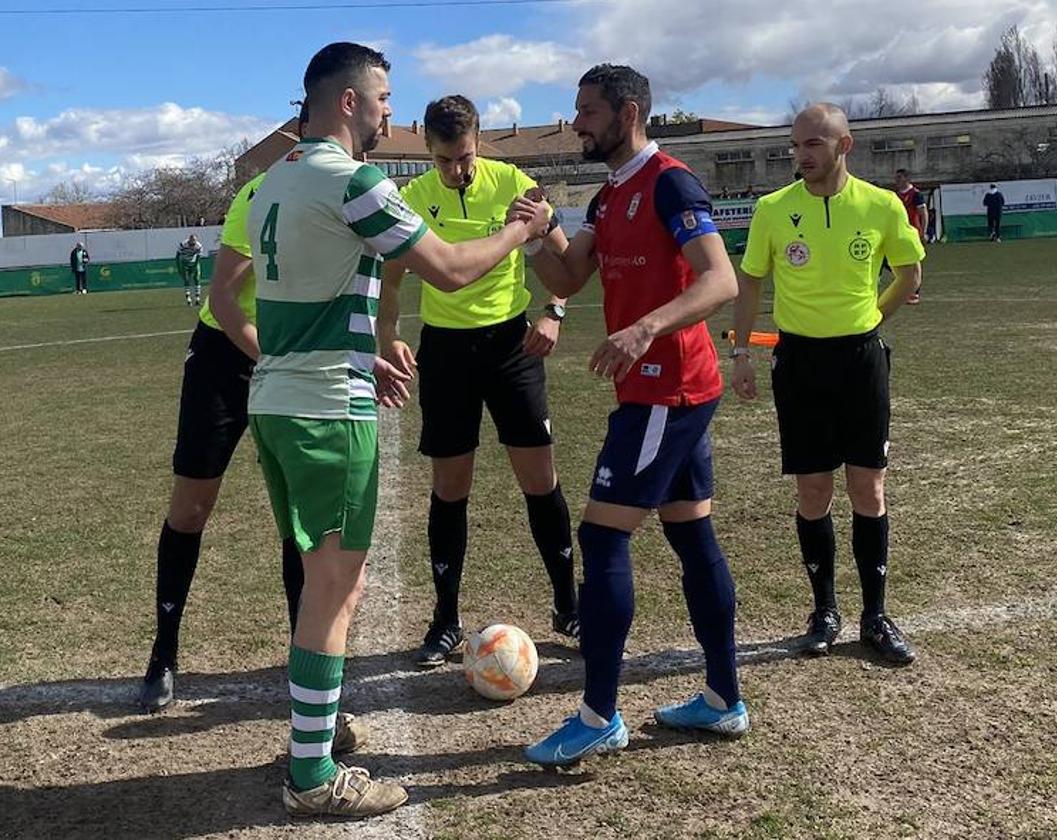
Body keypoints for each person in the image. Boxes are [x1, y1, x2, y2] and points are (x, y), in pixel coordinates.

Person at [214, 41, 551, 819]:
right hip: (326, 411)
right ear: (347, 103)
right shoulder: (353, 180)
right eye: (383, 100)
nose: (390, 114)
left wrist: (365, 350)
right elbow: (450, 267)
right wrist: (517, 232)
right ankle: (309, 776)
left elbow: (310, 297)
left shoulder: (271, 184)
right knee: (333, 587)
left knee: (325, 578)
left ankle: (319, 731)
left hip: (281, 400)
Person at [518, 64, 746, 769]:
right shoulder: (609, 194)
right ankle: (722, 700)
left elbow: (720, 278)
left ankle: (598, 715)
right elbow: (566, 277)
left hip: (665, 387)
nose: (578, 123)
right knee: (689, 532)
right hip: (659, 388)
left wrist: (645, 328)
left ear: (630, 111)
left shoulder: (671, 182)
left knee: (602, 537)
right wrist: (536, 232)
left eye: (588, 111)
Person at [378, 94, 579, 668]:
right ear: (427, 152)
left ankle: (568, 603)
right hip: (445, 351)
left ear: (478, 140)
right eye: (444, 160)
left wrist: (552, 311)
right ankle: (445, 618)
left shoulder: (515, 182)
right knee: (450, 486)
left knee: (540, 478)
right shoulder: (410, 200)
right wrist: (389, 334)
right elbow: (391, 282)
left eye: (463, 157)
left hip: (512, 345)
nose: (456, 170)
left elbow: (564, 265)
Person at [137, 105, 323, 717]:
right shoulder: (259, 193)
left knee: (298, 516)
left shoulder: (352, 194)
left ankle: (304, 658)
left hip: (290, 359)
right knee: (190, 507)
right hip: (227, 354)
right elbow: (224, 292)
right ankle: (164, 651)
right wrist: (270, 358)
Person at [730, 103, 924, 666]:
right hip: (800, 362)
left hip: (861, 361)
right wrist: (741, 353)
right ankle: (824, 611)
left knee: (870, 488)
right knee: (814, 492)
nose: (801, 156)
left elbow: (910, 275)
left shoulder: (883, 206)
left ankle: (876, 616)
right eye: (796, 145)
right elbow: (750, 285)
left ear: (845, 145)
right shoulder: (772, 209)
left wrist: (872, 320)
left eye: (813, 144)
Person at [893, 168, 927, 304]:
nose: (896, 180)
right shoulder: (895, 195)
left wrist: (923, 232)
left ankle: (914, 293)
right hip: (898, 232)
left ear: (907, 178)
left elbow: (923, 214)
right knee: (893, 261)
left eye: (899, 178)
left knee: (914, 262)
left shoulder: (916, 194)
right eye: (896, 178)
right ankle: (908, 286)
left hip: (912, 232)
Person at [176, 234, 204, 306]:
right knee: (186, 280)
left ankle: (197, 299)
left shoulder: (199, 246)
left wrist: (194, 266)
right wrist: (179, 267)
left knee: (197, 279)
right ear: (189, 240)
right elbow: (177, 256)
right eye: (191, 242)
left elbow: (198, 257)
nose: (192, 244)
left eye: (194, 242)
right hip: (184, 262)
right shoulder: (183, 244)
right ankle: (188, 299)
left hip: (194, 262)